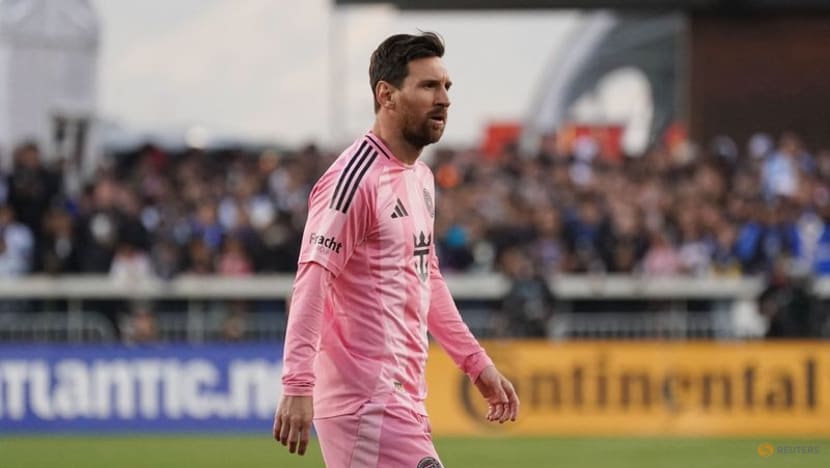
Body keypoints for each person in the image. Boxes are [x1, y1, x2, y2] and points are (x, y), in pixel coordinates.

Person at [273, 32, 519, 467]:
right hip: (367, 401)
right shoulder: (354, 180)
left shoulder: (419, 178)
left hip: (401, 396)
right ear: (386, 95)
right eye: (428, 86)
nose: (443, 99)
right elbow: (312, 278)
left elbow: (426, 277)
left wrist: (476, 363)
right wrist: (297, 383)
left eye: (446, 87)